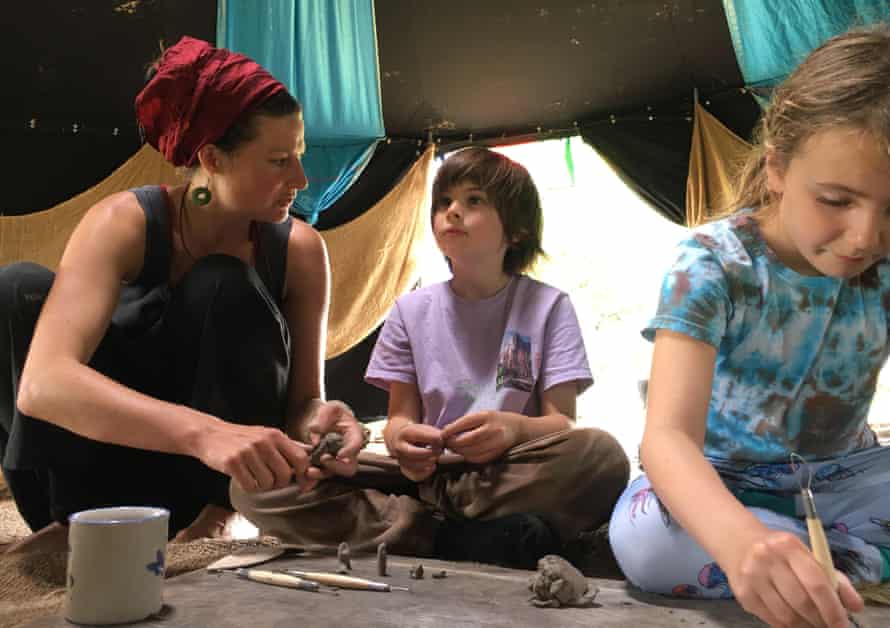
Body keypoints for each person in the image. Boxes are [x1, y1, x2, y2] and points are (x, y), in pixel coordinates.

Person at [0, 36, 366, 553]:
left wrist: (325, 419)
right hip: (100, 472)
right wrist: (205, 432)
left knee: (226, 282)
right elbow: (44, 385)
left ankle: (222, 514)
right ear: (213, 158)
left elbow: (305, 400)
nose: (301, 180)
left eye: (299, 157)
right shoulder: (123, 223)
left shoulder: (299, 250)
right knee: (18, 289)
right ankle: (67, 522)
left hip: (214, 483)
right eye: (279, 161)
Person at [606, 25, 890, 628]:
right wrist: (740, 544)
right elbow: (667, 441)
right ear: (778, 167)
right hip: (718, 483)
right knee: (648, 543)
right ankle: (814, 565)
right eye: (837, 201)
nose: (866, 237)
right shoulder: (712, 264)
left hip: (846, 479)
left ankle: (811, 567)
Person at [232, 146, 629, 568]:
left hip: (506, 472)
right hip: (424, 478)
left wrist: (513, 429)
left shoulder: (549, 306)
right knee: (255, 484)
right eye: (444, 203)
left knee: (601, 456)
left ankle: (421, 530)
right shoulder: (410, 310)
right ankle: (450, 536)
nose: (453, 211)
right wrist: (404, 441)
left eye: (474, 201)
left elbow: (561, 422)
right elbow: (402, 418)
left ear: (517, 232)